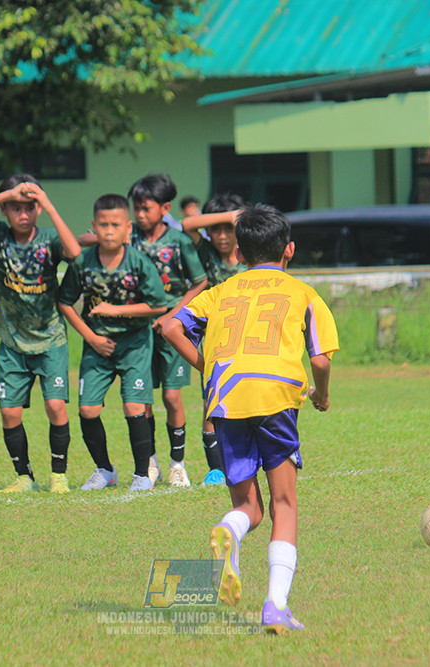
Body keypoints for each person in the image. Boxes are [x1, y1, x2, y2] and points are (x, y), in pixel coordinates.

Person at [161, 203, 340, 634]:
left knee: (248, 507)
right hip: (276, 398)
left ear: (239, 254)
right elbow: (319, 358)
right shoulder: (303, 294)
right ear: (290, 250)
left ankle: (230, 531)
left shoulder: (221, 291)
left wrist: (210, 368)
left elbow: (169, 327)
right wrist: (321, 396)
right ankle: (275, 606)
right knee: (283, 504)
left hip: (225, 400)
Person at [0, 174, 81, 494]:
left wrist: (50, 206)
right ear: (4, 210)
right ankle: (24, 477)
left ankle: (59, 475)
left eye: (29, 207)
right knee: (9, 412)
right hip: (13, 342)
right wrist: (9, 193)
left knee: (56, 406)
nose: (23, 214)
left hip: (51, 339)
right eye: (14, 208)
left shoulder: (48, 240)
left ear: (38, 209)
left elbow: (73, 252)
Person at [57, 194, 169, 492]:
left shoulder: (139, 262)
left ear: (128, 228)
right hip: (98, 346)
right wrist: (91, 337)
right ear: (93, 227)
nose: (109, 230)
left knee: (134, 407)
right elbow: (65, 302)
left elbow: (158, 305)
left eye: (115, 224)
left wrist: (116, 310)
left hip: (134, 345)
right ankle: (105, 470)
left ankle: (143, 475)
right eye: (103, 224)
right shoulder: (82, 263)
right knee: (87, 410)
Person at [127, 173, 207, 488]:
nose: (140, 214)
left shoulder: (179, 241)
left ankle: (177, 464)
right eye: (136, 208)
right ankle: (150, 463)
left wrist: (173, 315)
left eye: (146, 208)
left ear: (165, 208)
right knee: (142, 398)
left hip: (172, 330)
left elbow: (199, 282)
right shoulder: (127, 239)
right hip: (138, 330)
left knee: (173, 397)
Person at [180, 193, 248, 486]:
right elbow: (187, 225)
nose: (222, 236)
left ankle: (247, 458)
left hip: (248, 335)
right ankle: (216, 469)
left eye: (229, 229)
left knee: (247, 397)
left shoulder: (250, 253)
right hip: (215, 337)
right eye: (216, 229)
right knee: (213, 400)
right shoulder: (205, 253)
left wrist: (239, 218)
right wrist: (227, 216)